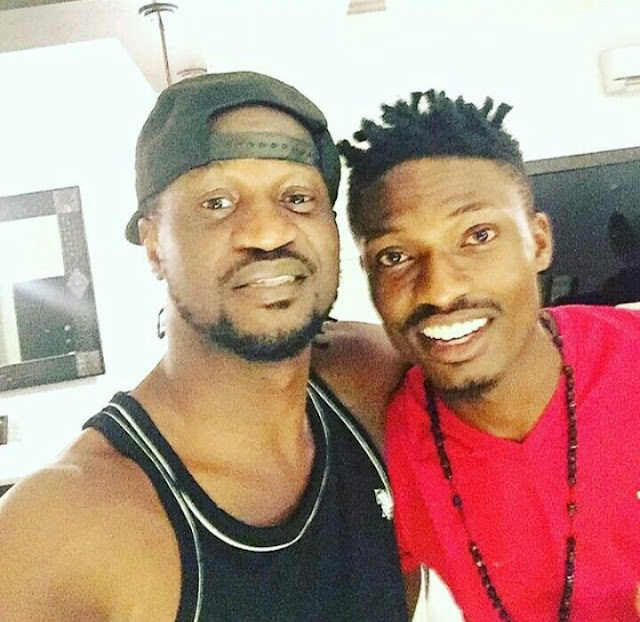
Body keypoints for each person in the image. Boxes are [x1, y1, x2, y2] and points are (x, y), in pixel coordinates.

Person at [0, 72, 409, 622]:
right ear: (154, 245)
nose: (268, 232)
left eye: (297, 198)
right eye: (217, 202)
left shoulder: (377, 382)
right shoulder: (61, 528)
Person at [335, 89, 640, 621]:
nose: (440, 289)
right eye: (395, 255)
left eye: (477, 235)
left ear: (538, 242)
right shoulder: (378, 456)